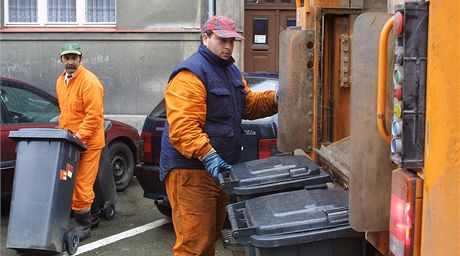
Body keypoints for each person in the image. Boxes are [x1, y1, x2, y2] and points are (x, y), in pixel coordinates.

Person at [160, 16, 278, 255]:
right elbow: (183, 128)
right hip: (191, 171)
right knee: (194, 245)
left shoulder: (230, 71)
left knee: (209, 238)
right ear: (205, 38)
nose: (228, 46)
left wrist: (276, 99)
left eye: (232, 41)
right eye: (222, 39)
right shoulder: (190, 74)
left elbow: (249, 105)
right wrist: (209, 156)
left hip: (216, 170)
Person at [55, 43, 105, 241]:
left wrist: (78, 138)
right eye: (66, 58)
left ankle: (84, 225)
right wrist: (62, 133)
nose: (70, 62)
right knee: (67, 178)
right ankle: (90, 214)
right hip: (70, 142)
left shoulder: (89, 82)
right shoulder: (61, 81)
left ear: (80, 59)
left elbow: (94, 116)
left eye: (74, 58)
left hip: (88, 143)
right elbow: (65, 111)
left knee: (81, 183)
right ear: (61, 60)